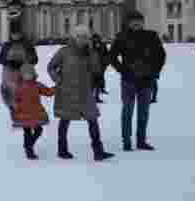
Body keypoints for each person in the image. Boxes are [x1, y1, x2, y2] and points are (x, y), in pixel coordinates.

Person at [47, 25, 114, 161]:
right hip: (67, 91)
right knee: (65, 120)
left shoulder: (90, 52)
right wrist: (59, 80)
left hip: (85, 91)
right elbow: (51, 67)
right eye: (79, 36)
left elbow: (96, 70)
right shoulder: (64, 52)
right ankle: (62, 150)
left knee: (93, 119)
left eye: (85, 36)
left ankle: (98, 151)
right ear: (74, 37)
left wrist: (92, 54)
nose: (82, 39)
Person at [108, 10, 166, 151]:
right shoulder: (122, 37)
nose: (136, 23)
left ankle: (141, 141)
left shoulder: (151, 36)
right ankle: (126, 141)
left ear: (143, 22)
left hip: (146, 80)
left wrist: (154, 71)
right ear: (129, 23)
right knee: (127, 111)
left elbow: (161, 55)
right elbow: (112, 56)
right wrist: (122, 70)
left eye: (139, 20)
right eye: (133, 21)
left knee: (143, 112)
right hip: (129, 80)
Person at [0, 28, 38, 126]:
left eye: (17, 33)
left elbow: (35, 59)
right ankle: (16, 117)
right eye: (13, 33)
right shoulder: (6, 45)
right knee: (10, 96)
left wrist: (26, 62)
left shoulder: (27, 45)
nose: (15, 36)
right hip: (9, 73)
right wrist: (8, 62)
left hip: (24, 73)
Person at [13, 63, 55, 160]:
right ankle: (29, 150)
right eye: (26, 74)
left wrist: (56, 88)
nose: (28, 76)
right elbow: (14, 99)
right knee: (27, 131)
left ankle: (29, 145)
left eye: (30, 74)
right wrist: (16, 107)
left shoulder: (37, 85)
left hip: (36, 112)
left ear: (33, 74)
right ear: (22, 75)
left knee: (38, 130)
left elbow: (48, 92)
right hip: (23, 113)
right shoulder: (18, 86)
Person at [90, 33, 109, 102]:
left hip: (100, 66)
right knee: (92, 84)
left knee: (98, 83)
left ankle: (96, 97)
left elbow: (107, 55)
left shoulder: (102, 45)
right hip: (92, 67)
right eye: (94, 38)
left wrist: (105, 64)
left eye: (97, 38)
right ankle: (91, 98)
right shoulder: (89, 46)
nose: (95, 40)